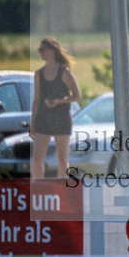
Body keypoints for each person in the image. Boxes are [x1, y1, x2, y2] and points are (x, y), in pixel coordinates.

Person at [30, 37, 81, 179]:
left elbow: (77, 96)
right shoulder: (38, 74)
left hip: (61, 119)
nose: (41, 53)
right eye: (40, 51)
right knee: (37, 158)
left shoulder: (65, 72)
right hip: (43, 119)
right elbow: (37, 100)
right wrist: (32, 123)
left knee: (62, 159)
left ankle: (62, 190)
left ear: (52, 51)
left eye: (43, 50)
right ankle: (39, 189)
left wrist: (59, 101)